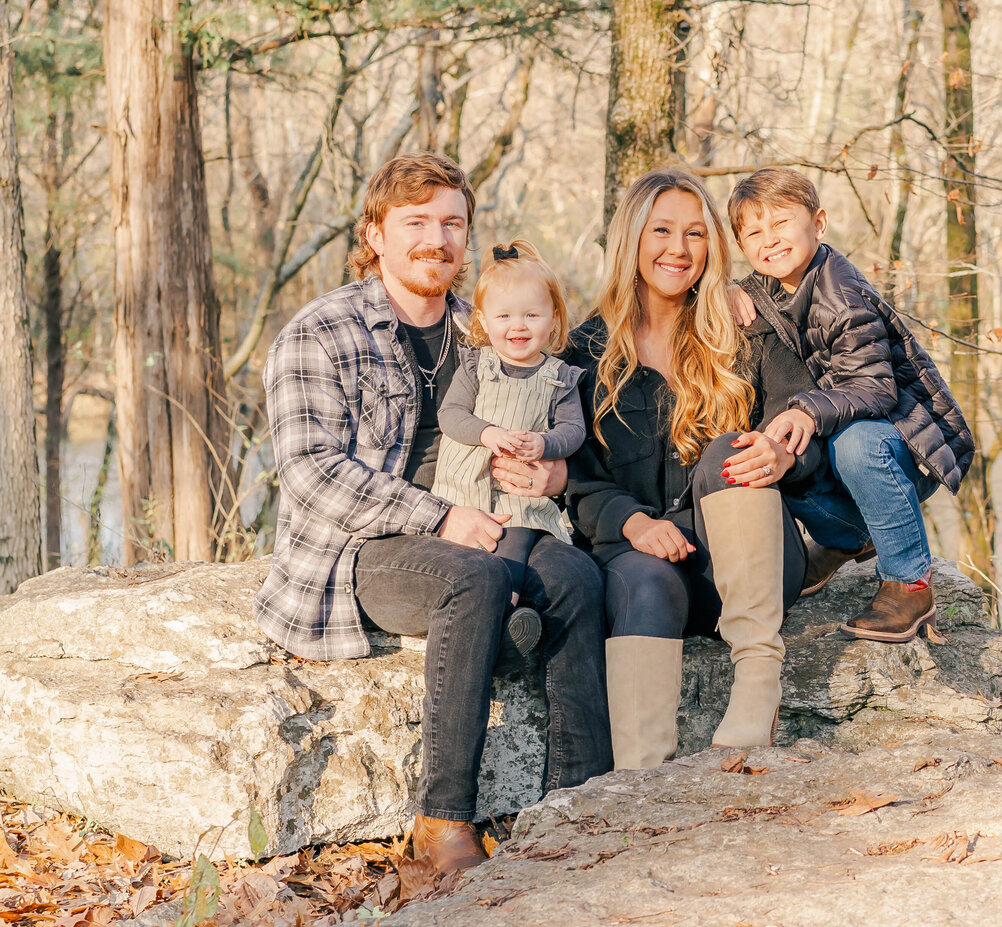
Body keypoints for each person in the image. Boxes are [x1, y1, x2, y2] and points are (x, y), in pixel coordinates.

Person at [254, 152, 611, 874]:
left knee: (575, 574)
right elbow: (311, 472)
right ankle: (444, 816)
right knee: (473, 580)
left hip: (492, 519)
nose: (437, 239)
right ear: (375, 234)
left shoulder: (482, 330)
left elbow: (552, 423)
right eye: (416, 222)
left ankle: (574, 804)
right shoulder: (319, 332)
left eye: (453, 223)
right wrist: (440, 517)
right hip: (364, 548)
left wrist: (551, 469)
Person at [566, 168, 822, 769]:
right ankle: (641, 782)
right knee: (639, 579)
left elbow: (804, 423)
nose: (678, 250)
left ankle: (759, 676)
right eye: (661, 231)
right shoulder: (584, 352)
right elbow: (574, 475)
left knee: (729, 448)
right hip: (651, 567)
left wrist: (784, 452)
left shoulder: (745, 329)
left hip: (749, 561)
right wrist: (630, 523)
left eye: (695, 234)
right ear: (631, 239)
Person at [727, 166, 974, 643]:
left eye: (781, 223)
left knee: (853, 442)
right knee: (772, 455)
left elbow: (877, 389)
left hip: (901, 443)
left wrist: (806, 409)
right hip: (843, 437)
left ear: (818, 224)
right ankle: (848, 535)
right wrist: (726, 286)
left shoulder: (842, 295)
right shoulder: (771, 283)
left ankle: (910, 583)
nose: (769, 240)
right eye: (754, 232)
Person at [431, 240, 585, 673]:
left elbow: (574, 431)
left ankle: (509, 617)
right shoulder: (476, 368)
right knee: (470, 559)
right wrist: (488, 433)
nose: (518, 326)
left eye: (532, 315)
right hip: (467, 486)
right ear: (482, 320)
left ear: (553, 318)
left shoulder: (560, 379)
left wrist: (546, 444)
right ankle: (500, 622)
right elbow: (451, 416)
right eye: (504, 316)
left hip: (518, 498)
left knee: (512, 544)